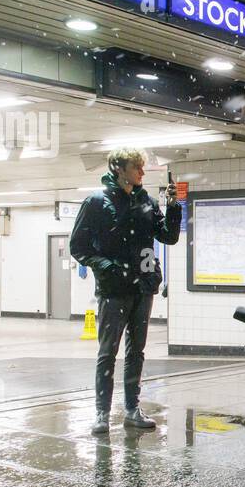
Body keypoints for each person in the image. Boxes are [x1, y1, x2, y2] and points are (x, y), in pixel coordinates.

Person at [71, 147, 181, 435]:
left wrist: (174, 206)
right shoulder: (96, 202)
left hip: (143, 286)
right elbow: (78, 247)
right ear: (119, 168)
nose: (142, 173)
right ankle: (102, 414)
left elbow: (168, 236)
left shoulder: (145, 202)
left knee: (137, 351)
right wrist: (106, 265)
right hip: (113, 289)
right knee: (108, 352)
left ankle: (132, 409)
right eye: (137, 167)